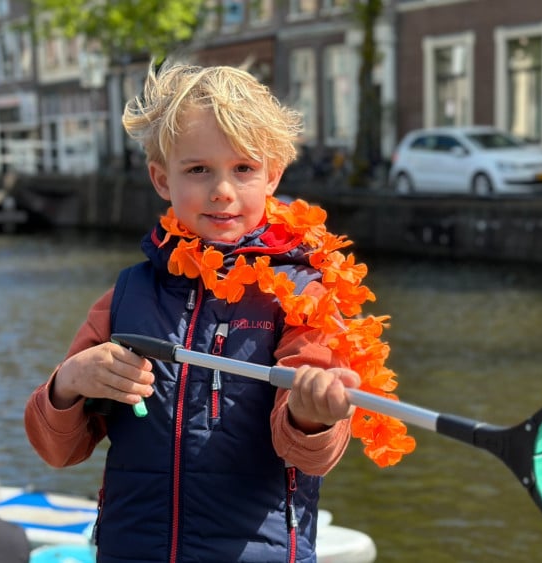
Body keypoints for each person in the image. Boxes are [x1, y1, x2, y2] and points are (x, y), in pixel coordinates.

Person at [24, 61, 414, 562]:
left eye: (243, 169)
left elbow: (309, 456)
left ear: (273, 175)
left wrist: (312, 416)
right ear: (162, 179)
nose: (222, 190)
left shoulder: (302, 296)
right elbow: (57, 449)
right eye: (198, 169)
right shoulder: (126, 296)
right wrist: (69, 383)